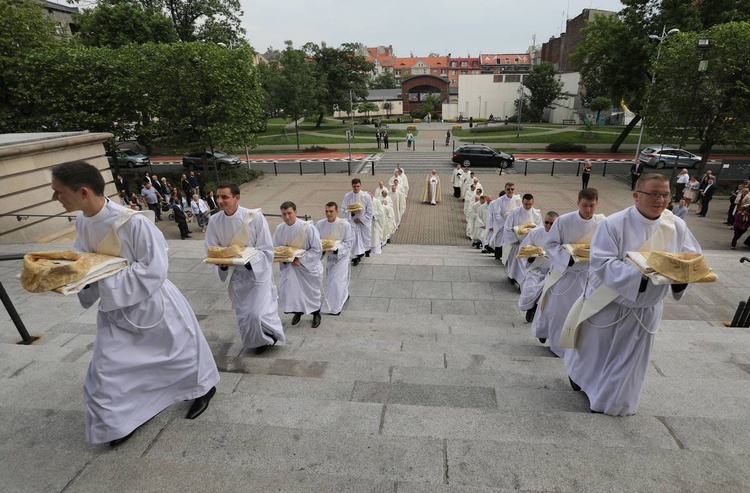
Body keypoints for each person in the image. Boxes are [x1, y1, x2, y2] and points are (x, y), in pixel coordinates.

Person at [50, 160, 219, 446]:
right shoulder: (83, 220)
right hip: (115, 310)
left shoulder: (133, 222)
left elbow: (153, 268)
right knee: (105, 375)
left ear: (83, 192)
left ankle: (203, 389)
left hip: (153, 305)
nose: (55, 198)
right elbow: (84, 260)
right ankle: (119, 422)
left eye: (59, 191)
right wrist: (68, 276)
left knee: (179, 356)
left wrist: (101, 280)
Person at [565, 174, 701, 415]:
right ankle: (580, 378)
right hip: (612, 303)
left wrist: (680, 281)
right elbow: (602, 263)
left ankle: (615, 402)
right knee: (595, 352)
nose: (661, 200)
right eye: (654, 194)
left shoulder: (676, 225)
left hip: (647, 308)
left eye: (666, 194)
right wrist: (641, 275)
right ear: (637, 196)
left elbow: (691, 259)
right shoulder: (614, 224)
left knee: (630, 362)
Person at [206, 183, 285, 353]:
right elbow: (212, 248)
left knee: (256, 313)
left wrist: (249, 261)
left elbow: (266, 249)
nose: (219, 200)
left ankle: (270, 336)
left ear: (237, 198)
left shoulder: (254, 217)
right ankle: (257, 342)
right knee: (244, 315)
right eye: (217, 197)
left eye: (224, 197)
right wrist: (221, 265)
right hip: (237, 276)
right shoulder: (214, 221)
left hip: (257, 274)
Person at [533, 188, 604, 356]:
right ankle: (557, 346)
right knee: (558, 310)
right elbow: (550, 244)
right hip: (564, 273)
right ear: (577, 203)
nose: (588, 210)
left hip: (586, 274)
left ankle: (574, 344)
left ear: (597, 204)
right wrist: (568, 259)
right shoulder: (563, 221)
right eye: (584, 205)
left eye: (592, 206)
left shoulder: (601, 223)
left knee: (579, 313)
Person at [274, 201, 324, 328]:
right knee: (293, 292)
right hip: (291, 268)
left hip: (307, 268)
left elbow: (317, 249)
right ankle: (298, 312)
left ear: (296, 212)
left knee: (311, 293)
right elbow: (276, 248)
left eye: (289, 213)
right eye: (284, 214)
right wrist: (285, 259)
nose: (287, 217)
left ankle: (316, 314)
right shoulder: (280, 229)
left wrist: (300, 260)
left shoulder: (307, 228)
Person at [315, 202, 355, 315]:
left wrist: (337, 248)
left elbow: (348, 242)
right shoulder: (320, 224)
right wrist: (322, 248)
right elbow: (316, 241)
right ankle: (344, 295)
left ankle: (334, 308)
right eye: (327, 211)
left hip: (341, 258)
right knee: (331, 281)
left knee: (336, 283)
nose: (328, 214)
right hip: (328, 257)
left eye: (331, 211)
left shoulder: (345, 225)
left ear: (336, 212)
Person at [518, 211, 558, 323]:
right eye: (546, 222)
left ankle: (535, 309)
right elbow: (524, 248)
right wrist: (530, 257)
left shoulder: (561, 236)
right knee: (529, 291)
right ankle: (530, 306)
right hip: (535, 268)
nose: (548, 226)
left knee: (545, 295)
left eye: (552, 223)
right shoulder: (535, 233)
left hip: (552, 270)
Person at [503, 193, 543, 286]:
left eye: (530, 204)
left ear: (533, 203)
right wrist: (514, 239)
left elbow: (539, 228)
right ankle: (511, 276)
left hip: (528, 243)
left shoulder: (536, 213)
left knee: (524, 263)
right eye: (526, 204)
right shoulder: (514, 212)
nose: (528, 206)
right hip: (516, 242)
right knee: (514, 261)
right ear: (522, 202)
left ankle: (521, 280)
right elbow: (507, 227)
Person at [342, 178, 373, 266]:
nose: (356, 188)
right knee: (354, 239)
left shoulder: (365, 196)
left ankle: (360, 254)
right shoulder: (347, 196)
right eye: (354, 186)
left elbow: (370, 211)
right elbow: (344, 208)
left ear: (360, 185)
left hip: (362, 222)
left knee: (362, 240)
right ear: (352, 186)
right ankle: (356, 256)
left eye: (358, 186)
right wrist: (351, 214)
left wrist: (362, 219)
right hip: (352, 221)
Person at [495, 183, 522, 263]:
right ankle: (499, 255)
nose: (510, 191)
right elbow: (497, 213)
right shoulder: (500, 200)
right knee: (501, 240)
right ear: (505, 190)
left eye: (512, 189)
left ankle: (510, 257)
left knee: (511, 242)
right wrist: (505, 223)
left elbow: (520, 211)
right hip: (503, 223)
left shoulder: (517, 199)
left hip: (514, 224)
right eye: (508, 189)